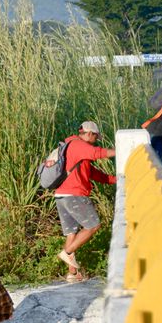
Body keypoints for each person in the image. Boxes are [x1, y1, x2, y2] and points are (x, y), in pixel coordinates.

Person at [53, 121, 116, 282]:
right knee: (93, 225)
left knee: (72, 233)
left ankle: (73, 274)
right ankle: (67, 253)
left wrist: (117, 179)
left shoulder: (72, 148)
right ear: (89, 133)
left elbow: (94, 174)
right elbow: (97, 153)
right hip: (74, 194)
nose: (96, 140)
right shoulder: (78, 145)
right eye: (96, 137)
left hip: (62, 195)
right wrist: (122, 151)